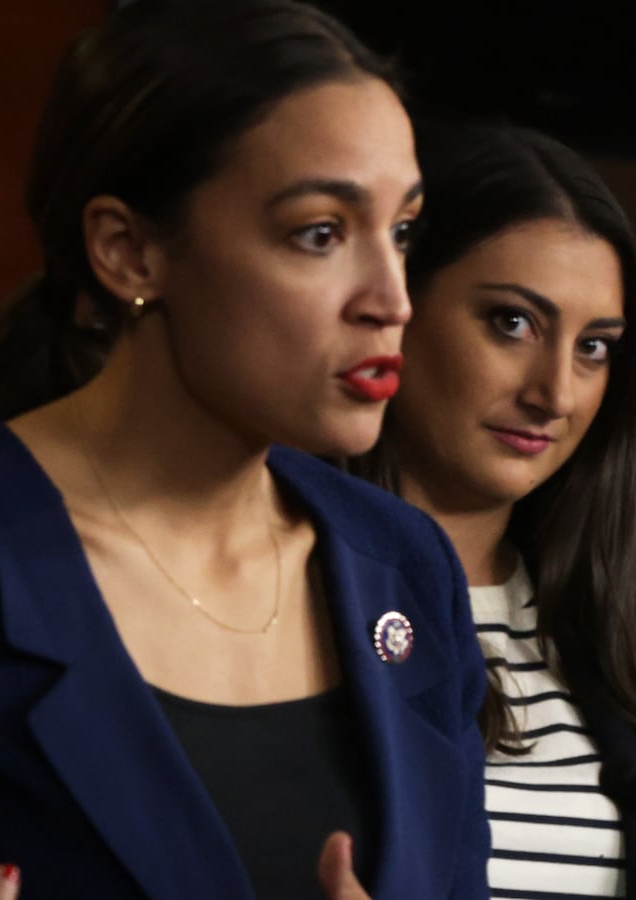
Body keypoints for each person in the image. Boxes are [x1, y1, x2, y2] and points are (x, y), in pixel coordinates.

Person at [0, 2, 489, 898]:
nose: (391, 298)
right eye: (320, 233)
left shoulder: (407, 563)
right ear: (127, 251)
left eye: (401, 232)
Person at [349, 119, 636, 896]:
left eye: (594, 346)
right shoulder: (271, 581)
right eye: (513, 322)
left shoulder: (608, 628)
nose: (556, 393)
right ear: (396, 303)